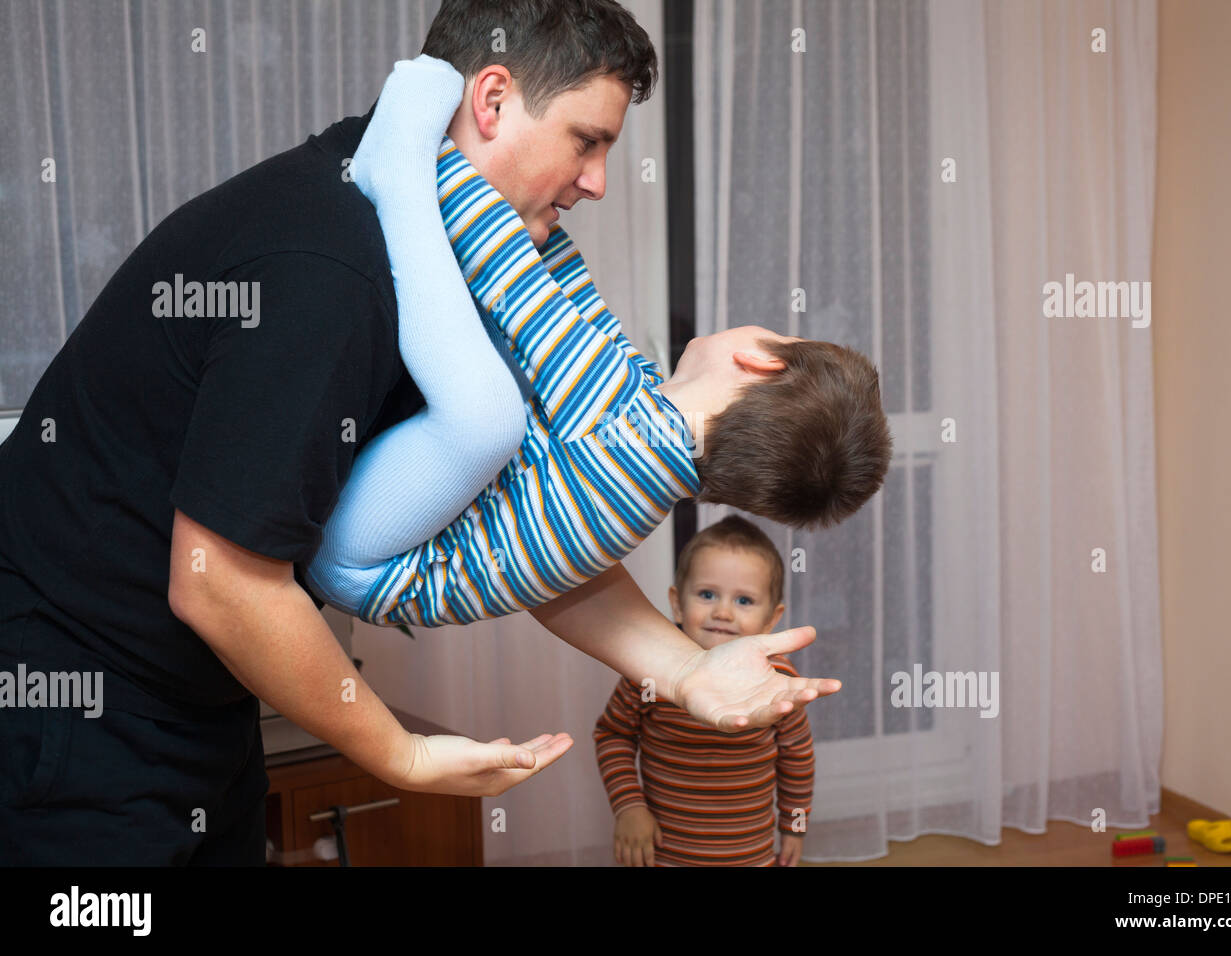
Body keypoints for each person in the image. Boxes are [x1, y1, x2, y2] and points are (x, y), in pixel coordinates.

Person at [0, 0, 841, 866]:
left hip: (195, 695)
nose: (596, 181)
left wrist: (689, 670)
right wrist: (398, 753)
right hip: (76, 704)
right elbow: (223, 585)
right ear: (492, 100)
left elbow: (530, 538)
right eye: (588, 141)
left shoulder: (429, 251)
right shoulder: (326, 266)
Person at [303, 55, 894, 633]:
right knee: (503, 369)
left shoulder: (629, 436)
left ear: (762, 361)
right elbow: (572, 301)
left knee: (485, 414)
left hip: (361, 560)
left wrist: (441, 151)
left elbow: (513, 281)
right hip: (394, 534)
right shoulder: (655, 432)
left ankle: (398, 171)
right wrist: (540, 216)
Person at [595, 516, 814, 867]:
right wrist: (629, 806)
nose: (723, 612)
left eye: (744, 600)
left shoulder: (779, 680)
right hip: (663, 854)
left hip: (750, 857)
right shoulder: (649, 672)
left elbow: (797, 758)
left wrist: (794, 827)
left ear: (772, 619)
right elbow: (613, 734)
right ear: (678, 603)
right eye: (707, 594)